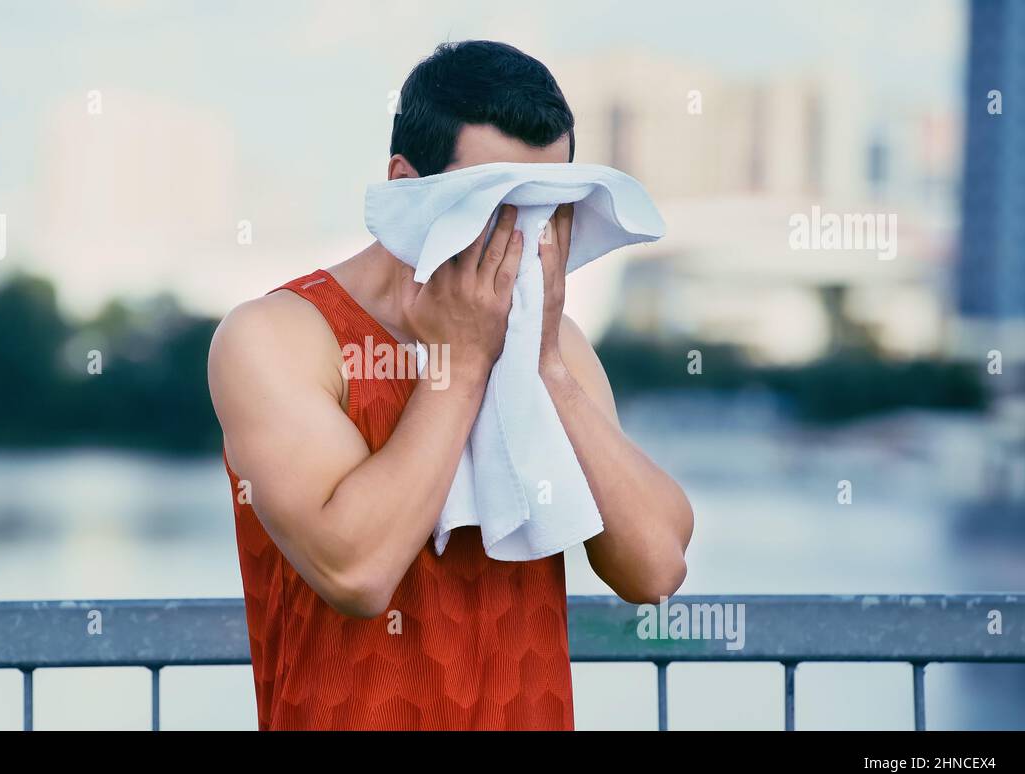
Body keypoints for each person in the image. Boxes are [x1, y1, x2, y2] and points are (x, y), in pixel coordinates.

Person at [208, 40, 694, 730]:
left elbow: (654, 567)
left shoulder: (554, 344)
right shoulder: (279, 337)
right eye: (493, 203)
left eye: (544, 205)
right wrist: (461, 364)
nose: (519, 235)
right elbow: (357, 571)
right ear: (406, 186)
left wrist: (546, 365)